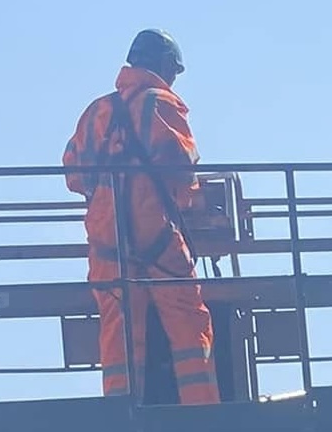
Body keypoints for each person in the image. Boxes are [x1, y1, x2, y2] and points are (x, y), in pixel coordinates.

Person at [62, 29, 219, 404]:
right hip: (154, 230)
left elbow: (73, 175)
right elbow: (181, 169)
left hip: (106, 237)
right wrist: (191, 200)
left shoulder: (96, 112)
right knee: (187, 319)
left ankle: (121, 409)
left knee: (119, 328)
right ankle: (201, 408)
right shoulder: (161, 103)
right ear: (164, 65)